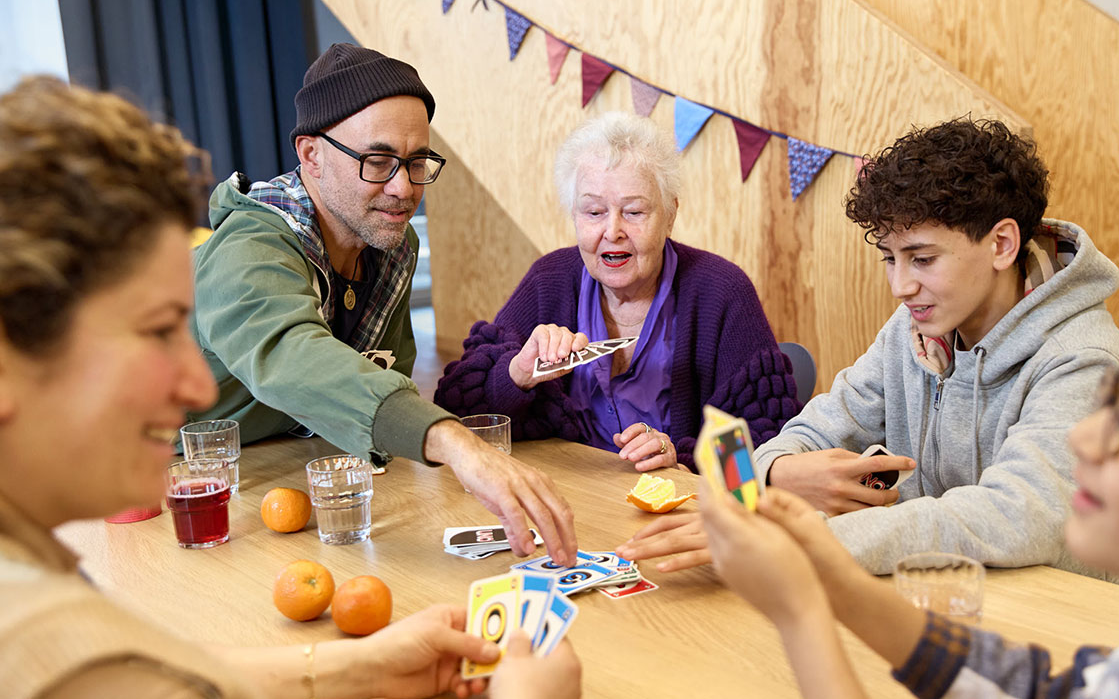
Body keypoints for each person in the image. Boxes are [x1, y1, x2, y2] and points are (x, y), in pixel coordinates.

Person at [0, 76, 581, 699]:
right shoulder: (34, 636)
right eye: (157, 330)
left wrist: (359, 669)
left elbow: (164, 668)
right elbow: (289, 357)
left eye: (415, 163)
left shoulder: (42, 590)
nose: (197, 383)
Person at [699, 249, 1119, 697]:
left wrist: (802, 612)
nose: (1083, 437)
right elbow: (1043, 687)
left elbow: (1020, 511)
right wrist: (828, 571)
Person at [619, 118, 1119, 575]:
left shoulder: (1084, 360)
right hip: (937, 593)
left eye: (922, 259)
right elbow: (812, 430)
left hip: (1062, 619)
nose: (900, 286)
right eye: (889, 258)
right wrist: (777, 471)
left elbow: (1018, 516)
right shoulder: (913, 328)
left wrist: (801, 539)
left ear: (1001, 245)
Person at [189, 43, 575, 564]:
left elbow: (384, 373)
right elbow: (293, 360)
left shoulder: (389, 244)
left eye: (416, 163)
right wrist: (457, 444)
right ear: (311, 155)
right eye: (377, 162)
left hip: (286, 474)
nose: (403, 188)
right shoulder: (249, 246)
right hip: (162, 481)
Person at [434, 112, 800, 471]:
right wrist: (516, 374)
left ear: (670, 215)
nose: (613, 231)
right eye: (594, 212)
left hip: (675, 503)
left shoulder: (722, 292)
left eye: (634, 212)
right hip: (568, 492)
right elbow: (454, 412)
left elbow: (767, 439)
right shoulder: (549, 281)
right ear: (574, 215)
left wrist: (683, 460)